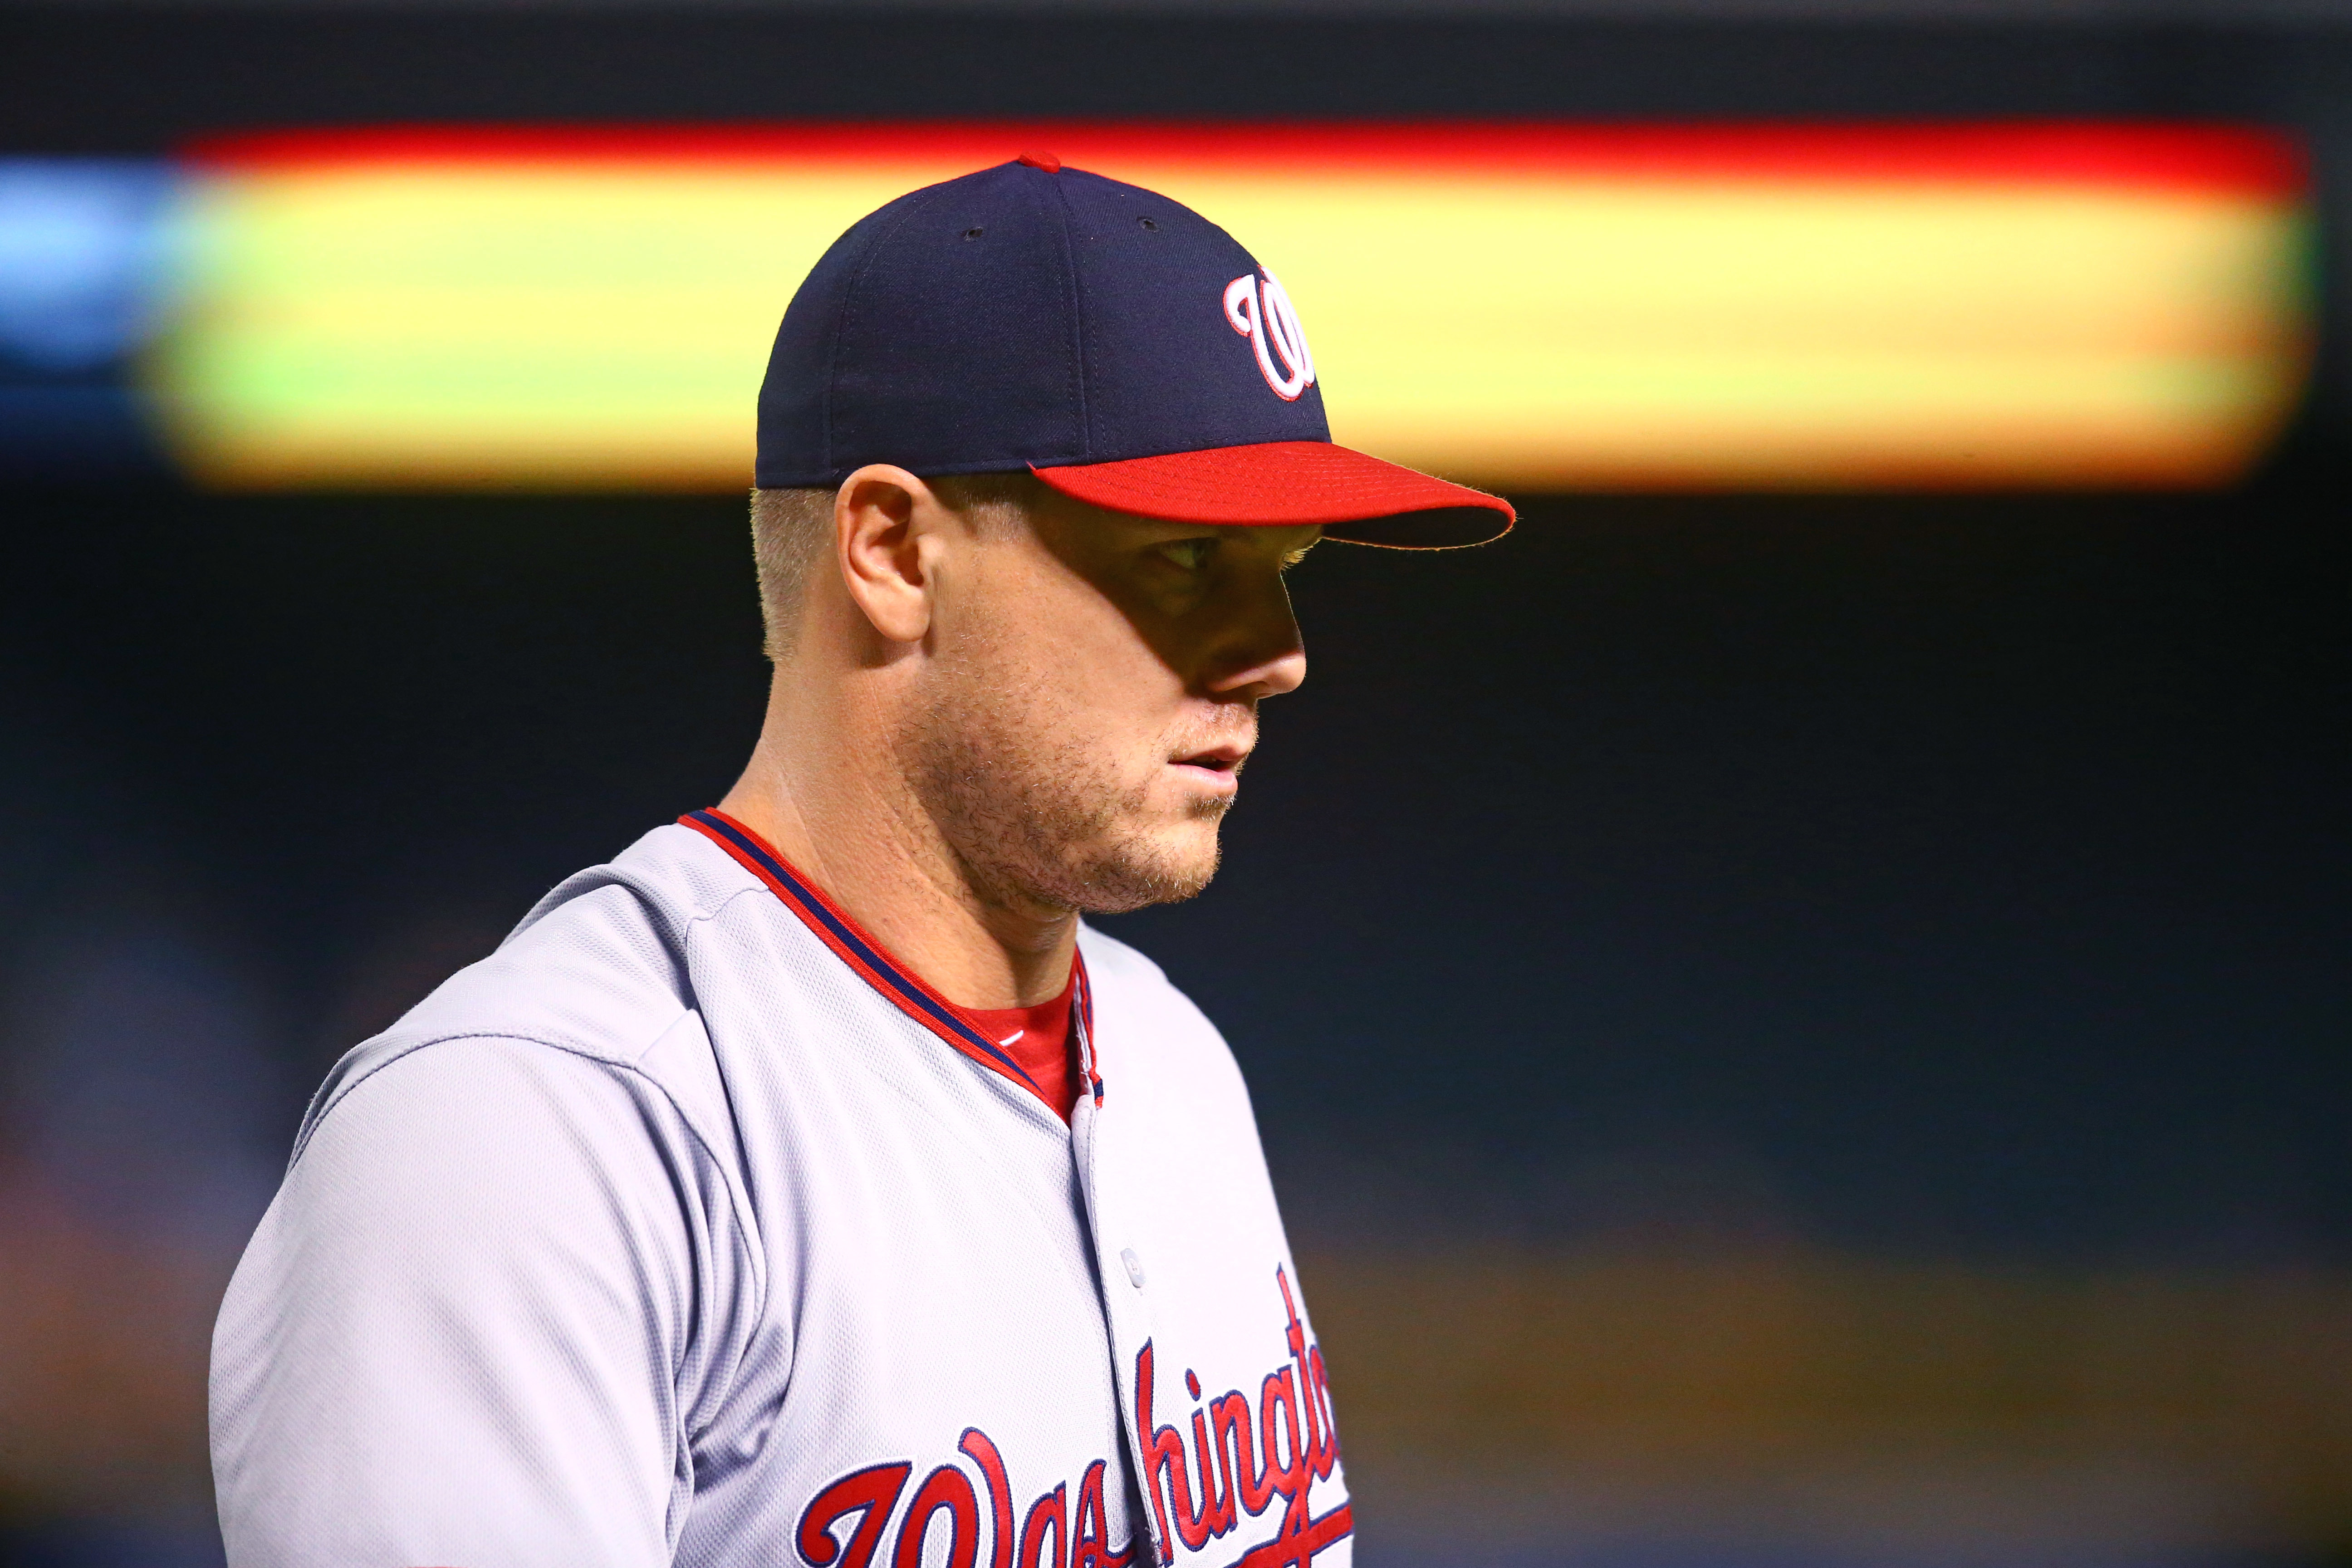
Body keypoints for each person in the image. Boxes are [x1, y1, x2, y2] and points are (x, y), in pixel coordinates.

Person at [209, 150, 1512, 1568]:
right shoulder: (537, 1135)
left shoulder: (1173, 1059)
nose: (1280, 655)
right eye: (1188, 561)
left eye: (1289, 566)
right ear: (891, 549)